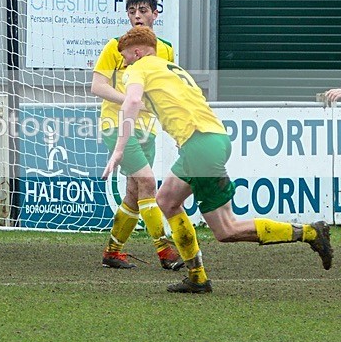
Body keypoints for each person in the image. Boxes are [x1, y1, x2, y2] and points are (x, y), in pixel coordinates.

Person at [103, 26, 333, 293]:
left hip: (200, 145)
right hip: (211, 140)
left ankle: (310, 233)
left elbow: (130, 102)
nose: (125, 63)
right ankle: (197, 277)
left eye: (127, 56)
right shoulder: (172, 70)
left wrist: (119, 149)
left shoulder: (139, 68)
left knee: (226, 229)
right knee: (166, 199)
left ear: (139, 52)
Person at [91, 0, 183, 270]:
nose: (137, 16)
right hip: (117, 125)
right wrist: (132, 102)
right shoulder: (116, 46)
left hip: (148, 129)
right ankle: (165, 251)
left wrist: (177, 129)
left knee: (134, 191)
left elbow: (167, 91)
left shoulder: (165, 48)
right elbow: (97, 86)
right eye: (131, 12)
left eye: (143, 10)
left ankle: (112, 251)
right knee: (147, 183)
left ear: (156, 14)